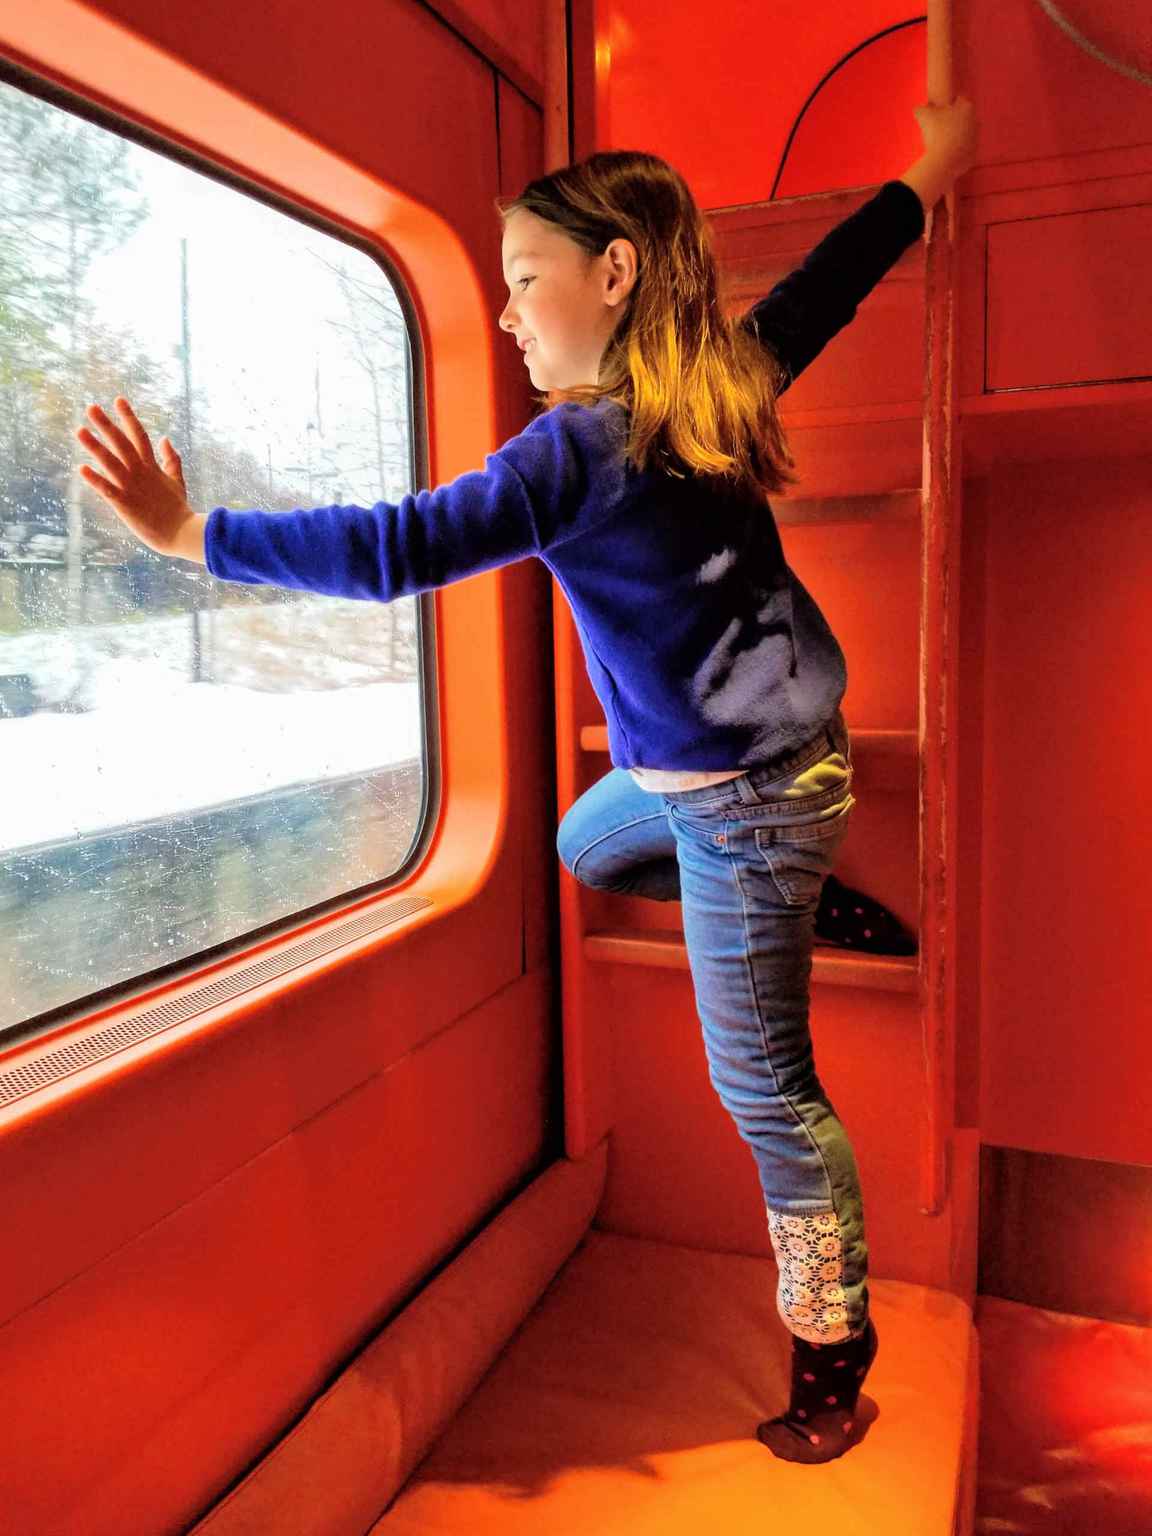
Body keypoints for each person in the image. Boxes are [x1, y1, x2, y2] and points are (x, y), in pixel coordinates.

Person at [75, 95, 978, 1465]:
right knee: (580, 844)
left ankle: (832, 1346)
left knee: (767, 1095)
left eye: (520, 278)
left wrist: (191, 532)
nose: (501, 315)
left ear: (614, 273)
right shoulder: (723, 378)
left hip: (744, 804)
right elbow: (828, 285)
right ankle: (803, 901)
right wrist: (927, 171)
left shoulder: (579, 450)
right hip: (751, 771)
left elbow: (395, 549)